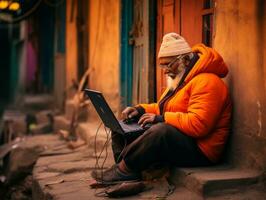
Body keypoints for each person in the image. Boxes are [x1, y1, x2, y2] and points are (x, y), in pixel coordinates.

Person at [92, 33, 232, 184]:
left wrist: (162, 119)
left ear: (185, 60)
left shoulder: (208, 82)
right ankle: (126, 168)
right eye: (162, 65)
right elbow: (162, 108)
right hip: (184, 139)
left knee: (161, 132)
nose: (165, 70)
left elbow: (199, 125)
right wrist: (139, 110)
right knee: (123, 125)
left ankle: (124, 170)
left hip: (202, 151)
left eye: (168, 64)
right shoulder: (181, 79)